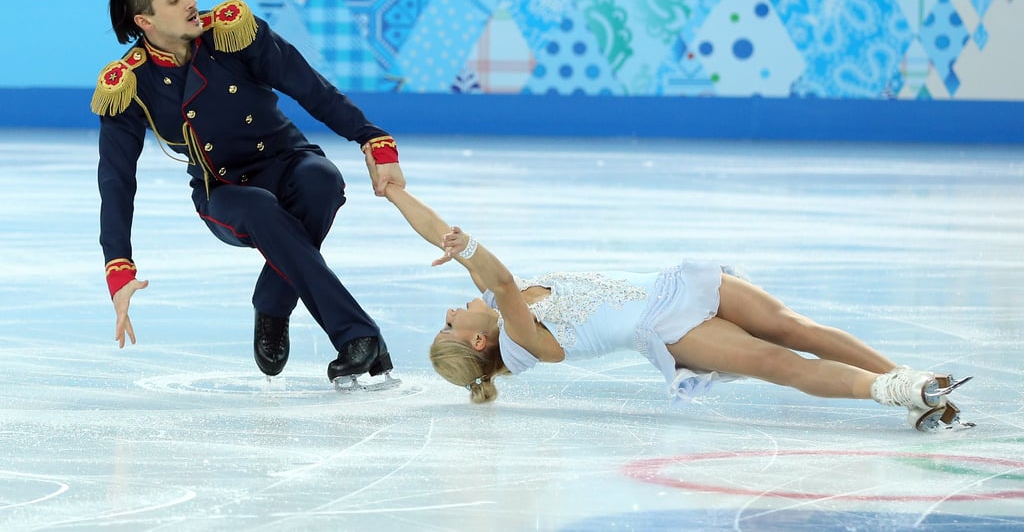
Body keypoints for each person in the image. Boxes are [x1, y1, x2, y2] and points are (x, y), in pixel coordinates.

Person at [377, 183, 973, 432]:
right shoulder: (522, 338)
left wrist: (398, 192)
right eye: (447, 323)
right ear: (477, 344)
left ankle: (912, 381)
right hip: (667, 327)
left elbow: (444, 236)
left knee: (798, 328)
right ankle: (892, 394)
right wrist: (471, 250)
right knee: (778, 360)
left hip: (674, 283)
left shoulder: (494, 310)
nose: (451, 310)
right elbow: (502, 281)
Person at [93, 0, 403, 387]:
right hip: (224, 190)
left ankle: (273, 302)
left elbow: (311, 88)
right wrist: (119, 265)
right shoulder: (130, 84)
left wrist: (373, 139)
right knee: (259, 208)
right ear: (144, 20)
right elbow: (116, 180)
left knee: (323, 180)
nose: (192, 2)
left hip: (288, 159)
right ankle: (357, 335)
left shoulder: (234, 33)